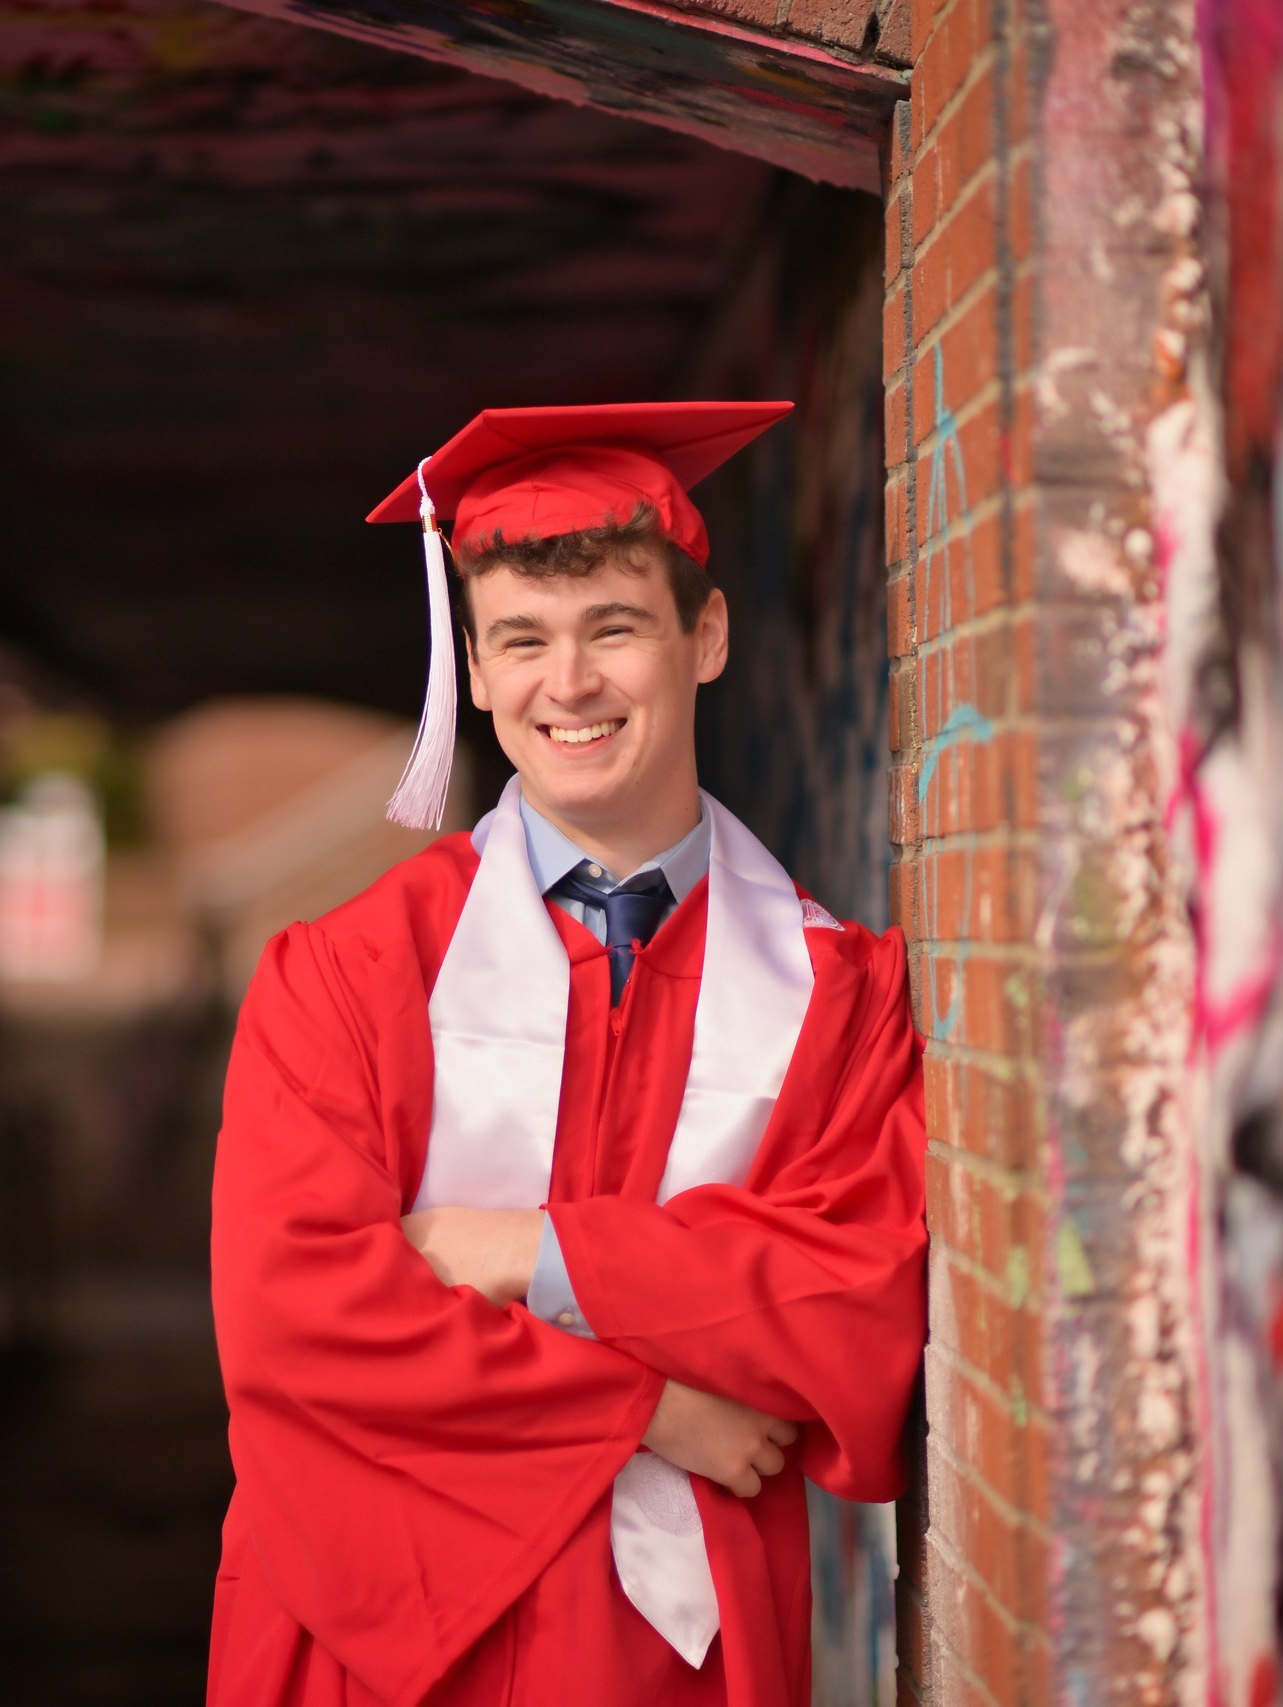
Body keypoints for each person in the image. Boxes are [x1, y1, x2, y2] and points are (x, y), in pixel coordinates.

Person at [206, 402, 927, 1706]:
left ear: (706, 637)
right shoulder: (350, 978)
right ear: (476, 672)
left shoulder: (835, 998)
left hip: (675, 1657)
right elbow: (294, 1323)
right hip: (379, 1648)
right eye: (523, 639)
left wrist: (522, 1254)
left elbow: (855, 1311)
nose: (570, 683)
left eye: (616, 628)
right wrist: (654, 1406)